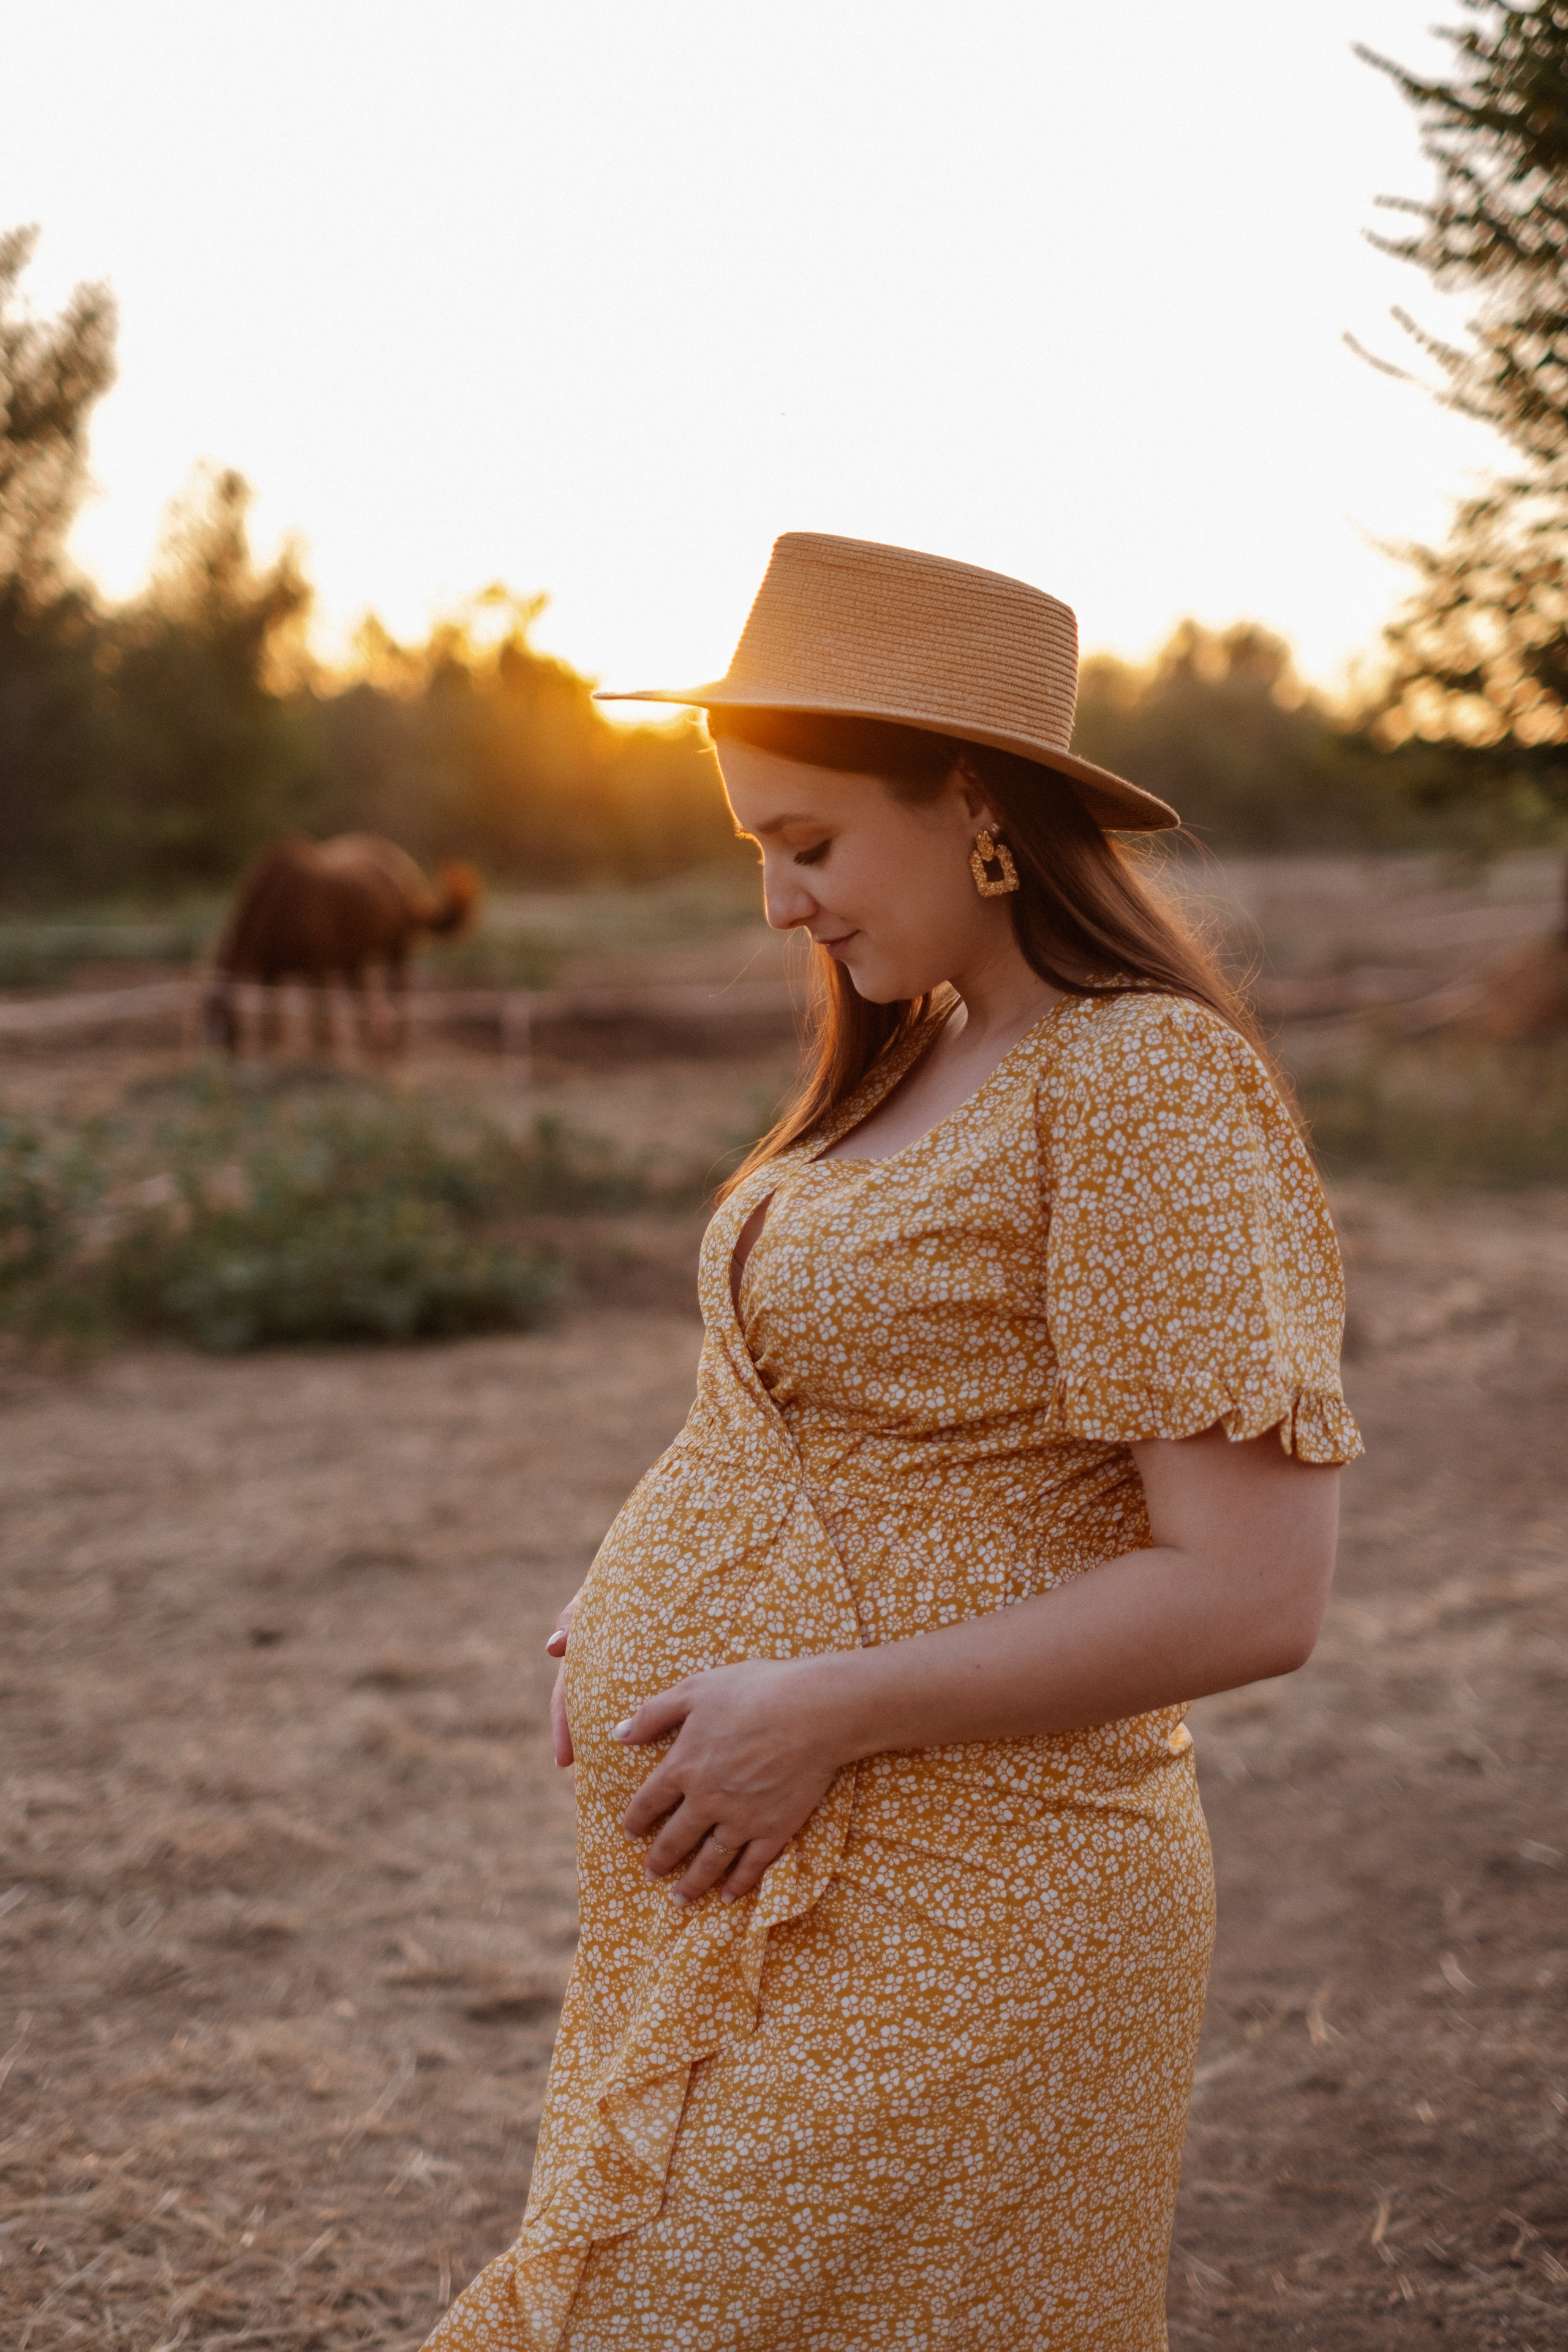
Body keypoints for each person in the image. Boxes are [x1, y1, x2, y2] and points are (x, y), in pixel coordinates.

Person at [426, 533, 1361, 2352]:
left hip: (972, 1906)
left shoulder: (1139, 1078)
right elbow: (804, 1403)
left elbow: (1255, 1593)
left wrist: (816, 1704)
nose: (780, 906)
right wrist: (636, 1585)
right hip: (778, 1898)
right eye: (758, 852)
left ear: (976, 807)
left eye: (811, 846)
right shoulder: (920, 1049)